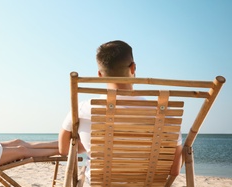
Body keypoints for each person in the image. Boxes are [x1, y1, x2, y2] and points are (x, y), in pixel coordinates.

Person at [58, 40, 182, 178]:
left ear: (100, 74)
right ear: (133, 68)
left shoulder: (82, 109)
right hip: (143, 182)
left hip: (98, 179)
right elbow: (174, 170)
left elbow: (63, 149)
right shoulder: (166, 115)